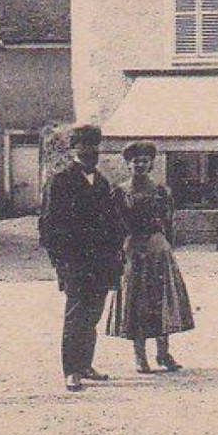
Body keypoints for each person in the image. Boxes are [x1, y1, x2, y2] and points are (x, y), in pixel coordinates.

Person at [39, 124, 128, 392]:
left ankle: (86, 364)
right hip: (75, 260)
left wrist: (116, 254)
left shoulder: (101, 181)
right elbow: (48, 225)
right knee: (76, 314)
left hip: (101, 261)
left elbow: (113, 222)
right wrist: (60, 262)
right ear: (74, 148)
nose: (91, 151)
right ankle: (71, 370)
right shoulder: (60, 180)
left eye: (94, 145)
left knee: (93, 314)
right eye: (84, 145)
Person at [109, 142, 193, 374]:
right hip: (134, 249)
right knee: (137, 302)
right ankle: (140, 357)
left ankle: (163, 353)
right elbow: (114, 224)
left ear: (151, 164)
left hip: (157, 249)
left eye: (144, 161)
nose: (140, 165)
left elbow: (169, 222)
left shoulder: (161, 191)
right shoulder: (120, 191)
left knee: (161, 299)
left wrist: (167, 246)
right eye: (136, 161)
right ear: (128, 164)